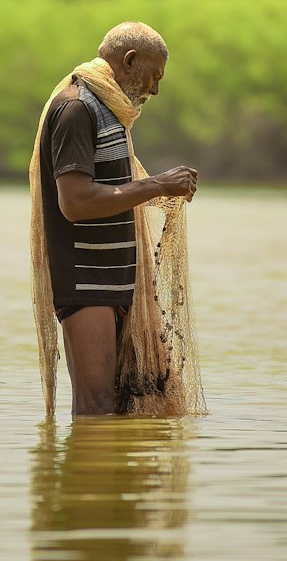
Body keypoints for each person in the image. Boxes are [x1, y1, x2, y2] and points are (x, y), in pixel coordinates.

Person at [29, 21, 200, 417]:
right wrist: (157, 185)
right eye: (153, 76)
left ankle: (105, 479)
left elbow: (112, 190)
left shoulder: (110, 112)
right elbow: (75, 202)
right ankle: (90, 475)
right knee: (96, 406)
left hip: (114, 283)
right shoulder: (76, 108)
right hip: (86, 283)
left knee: (119, 404)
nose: (155, 90)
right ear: (129, 61)